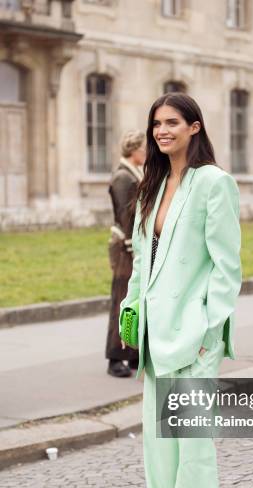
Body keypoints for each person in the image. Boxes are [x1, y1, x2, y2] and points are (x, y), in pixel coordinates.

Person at [120, 93, 241, 488]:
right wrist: (131, 315)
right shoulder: (150, 187)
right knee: (159, 452)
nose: (162, 130)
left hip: (192, 340)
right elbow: (141, 263)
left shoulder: (214, 183)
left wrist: (207, 335)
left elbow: (227, 267)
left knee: (193, 453)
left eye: (172, 122)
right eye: (156, 123)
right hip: (154, 336)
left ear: (195, 126)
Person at [105, 130, 146, 377]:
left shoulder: (134, 173)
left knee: (134, 300)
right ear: (133, 150)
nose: (146, 153)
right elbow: (125, 214)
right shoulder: (123, 176)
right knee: (122, 300)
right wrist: (133, 245)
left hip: (134, 246)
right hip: (125, 248)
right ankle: (115, 357)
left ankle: (132, 354)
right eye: (143, 148)